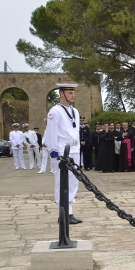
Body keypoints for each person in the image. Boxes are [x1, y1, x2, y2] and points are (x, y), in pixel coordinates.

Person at [44, 83, 82, 224]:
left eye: (73, 92)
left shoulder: (75, 111)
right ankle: (62, 212)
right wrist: (53, 151)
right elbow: (51, 132)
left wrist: (78, 149)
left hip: (74, 150)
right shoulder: (55, 111)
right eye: (70, 92)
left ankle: (70, 211)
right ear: (62, 93)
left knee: (73, 182)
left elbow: (75, 132)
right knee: (61, 182)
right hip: (62, 150)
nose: (73, 95)